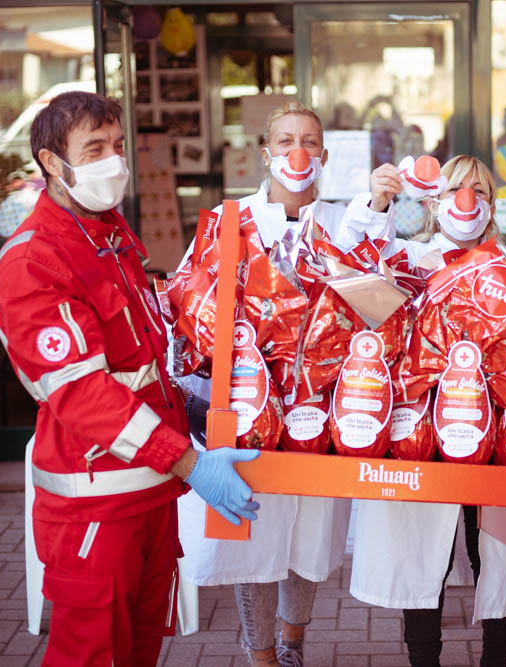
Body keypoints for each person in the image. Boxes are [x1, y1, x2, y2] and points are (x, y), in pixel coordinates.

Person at [0, 91, 260, 666]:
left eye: (117, 145)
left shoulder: (112, 237)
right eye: (94, 149)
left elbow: (142, 357)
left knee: (140, 651)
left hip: (150, 495)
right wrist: (188, 462)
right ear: (51, 163)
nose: (113, 160)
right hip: (96, 508)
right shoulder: (33, 260)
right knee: (89, 655)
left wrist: (191, 403)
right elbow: (80, 393)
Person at [173, 100, 398, 667]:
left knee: (312, 536)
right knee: (257, 534)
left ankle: (293, 646)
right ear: (265, 152)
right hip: (247, 409)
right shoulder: (229, 223)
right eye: (285, 141)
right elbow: (189, 304)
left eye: (310, 141)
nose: (297, 152)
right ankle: (262, 658)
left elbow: (384, 303)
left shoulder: (345, 223)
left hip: (320, 410)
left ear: (324, 155)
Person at [352, 155, 506, 667]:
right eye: (455, 189)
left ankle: (498, 659)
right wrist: (376, 203)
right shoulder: (411, 258)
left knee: (493, 549)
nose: (467, 201)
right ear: (434, 200)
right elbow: (353, 267)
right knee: (420, 552)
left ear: (492, 204)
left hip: (495, 433)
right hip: (421, 432)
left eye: (479, 191)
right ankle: (423, 660)